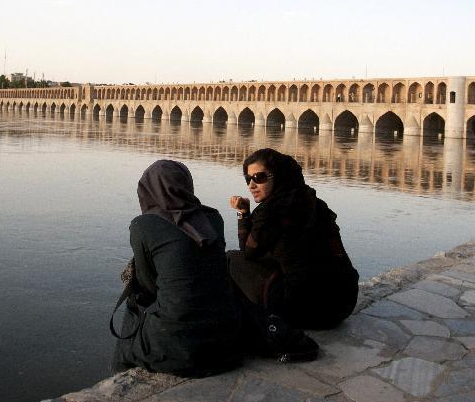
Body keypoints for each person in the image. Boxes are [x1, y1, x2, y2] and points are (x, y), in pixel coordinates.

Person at [112, 160, 240, 376]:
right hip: (227, 343)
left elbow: (147, 285)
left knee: (134, 300)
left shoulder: (143, 226)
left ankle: (120, 372)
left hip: (179, 349)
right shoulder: (213, 218)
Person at [228, 148, 359, 332]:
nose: (251, 185)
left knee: (231, 260)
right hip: (343, 304)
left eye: (259, 177)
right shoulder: (314, 203)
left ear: (278, 176)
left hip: (306, 311)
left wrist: (243, 215)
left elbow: (248, 253)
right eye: (248, 179)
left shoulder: (273, 210)